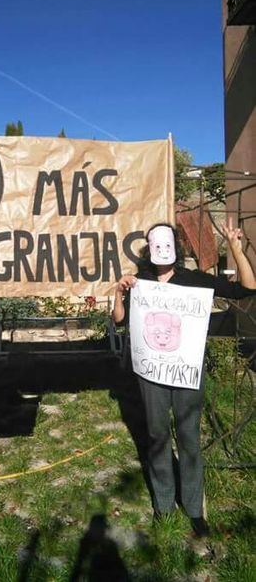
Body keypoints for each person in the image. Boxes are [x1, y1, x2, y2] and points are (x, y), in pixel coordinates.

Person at [112, 219, 256, 537]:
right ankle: (163, 505)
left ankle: (193, 509)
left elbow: (248, 289)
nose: (161, 249)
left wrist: (235, 246)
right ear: (149, 250)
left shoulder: (194, 281)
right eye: (155, 244)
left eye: (167, 243)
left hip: (187, 371)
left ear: (175, 248)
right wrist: (119, 293)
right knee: (157, 436)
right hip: (152, 375)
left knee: (189, 438)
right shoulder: (140, 283)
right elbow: (120, 321)